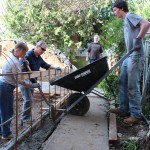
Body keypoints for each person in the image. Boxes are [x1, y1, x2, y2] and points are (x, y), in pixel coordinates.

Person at [109, 0, 150, 124]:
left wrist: (139, 38)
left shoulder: (130, 15)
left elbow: (146, 23)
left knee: (132, 85)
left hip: (136, 56)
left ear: (121, 8)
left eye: (115, 10)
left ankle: (136, 114)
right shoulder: (126, 20)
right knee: (123, 81)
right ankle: (123, 108)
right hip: (129, 55)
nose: (115, 13)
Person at [20, 40, 61, 124]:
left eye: (44, 50)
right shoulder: (27, 56)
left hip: (33, 81)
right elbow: (21, 72)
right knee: (28, 100)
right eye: (42, 49)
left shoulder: (38, 57)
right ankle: (24, 120)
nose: (43, 51)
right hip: (25, 81)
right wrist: (27, 82)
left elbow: (46, 65)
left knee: (29, 100)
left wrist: (55, 68)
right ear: (37, 46)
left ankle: (26, 118)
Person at [0, 42, 30, 140]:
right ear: (19, 51)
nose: (24, 55)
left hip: (4, 86)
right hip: (6, 87)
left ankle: (2, 131)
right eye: (24, 53)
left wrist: (22, 65)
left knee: (3, 110)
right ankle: (6, 134)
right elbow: (18, 78)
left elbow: (16, 72)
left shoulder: (13, 59)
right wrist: (26, 83)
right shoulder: (14, 62)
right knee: (7, 111)